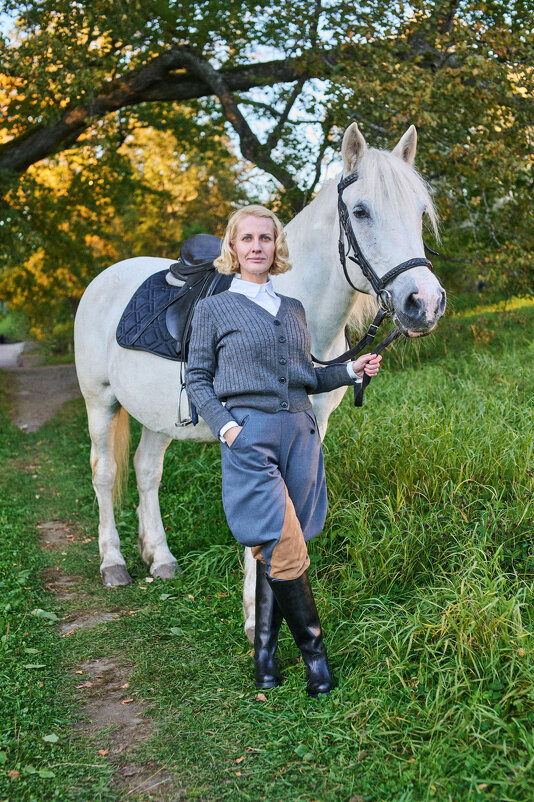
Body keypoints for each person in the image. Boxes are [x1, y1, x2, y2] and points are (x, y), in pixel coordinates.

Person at [186, 205, 381, 696]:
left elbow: (309, 376)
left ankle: (265, 657)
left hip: (299, 432)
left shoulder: (292, 309)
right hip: (250, 437)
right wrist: (229, 429)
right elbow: (196, 378)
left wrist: (351, 370)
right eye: (247, 238)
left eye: (265, 238)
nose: (257, 246)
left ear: (277, 247)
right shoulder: (213, 309)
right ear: (232, 248)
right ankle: (316, 658)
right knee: (285, 544)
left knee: (277, 546)